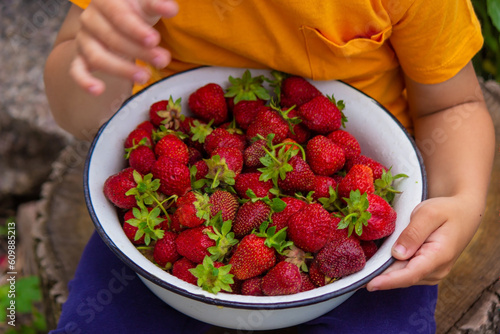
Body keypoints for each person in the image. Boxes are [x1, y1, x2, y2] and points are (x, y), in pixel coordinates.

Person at [44, 0, 495, 333]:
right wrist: (98, 55)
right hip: (157, 238)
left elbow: (452, 105)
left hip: (365, 260)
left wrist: (463, 200)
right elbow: (80, 116)